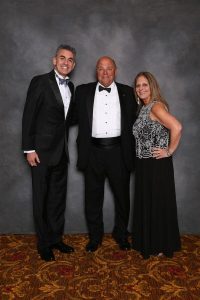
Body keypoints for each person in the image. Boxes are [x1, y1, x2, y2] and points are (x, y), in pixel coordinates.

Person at [75, 56, 137, 252]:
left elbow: (139, 121)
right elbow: (66, 117)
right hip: (92, 151)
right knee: (93, 197)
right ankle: (95, 237)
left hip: (119, 152)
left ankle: (121, 234)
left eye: (109, 68)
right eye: (101, 69)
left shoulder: (128, 92)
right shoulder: (83, 91)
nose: (105, 73)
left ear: (115, 71)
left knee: (122, 197)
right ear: (96, 71)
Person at [22, 44, 76, 261]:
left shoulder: (71, 87)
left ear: (74, 64)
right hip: (41, 153)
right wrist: (29, 149)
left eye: (70, 59)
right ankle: (43, 244)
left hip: (61, 153)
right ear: (54, 60)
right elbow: (28, 116)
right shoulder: (40, 82)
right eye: (62, 58)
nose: (66, 62)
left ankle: (55, 239)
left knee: (57, 199)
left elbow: (67, 120)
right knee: (41, 199)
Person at [131, 71, 182, 259]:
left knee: (158, 203)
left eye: (145, 84)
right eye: (138, 85)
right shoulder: (144, 107)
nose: (141, 88)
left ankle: (160, 245)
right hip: (145, 164)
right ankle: (152, 243)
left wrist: (168, 151)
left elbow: (177, 127)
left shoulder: (156, 106)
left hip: (156, 164)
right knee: (150, 202)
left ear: (152, 86)